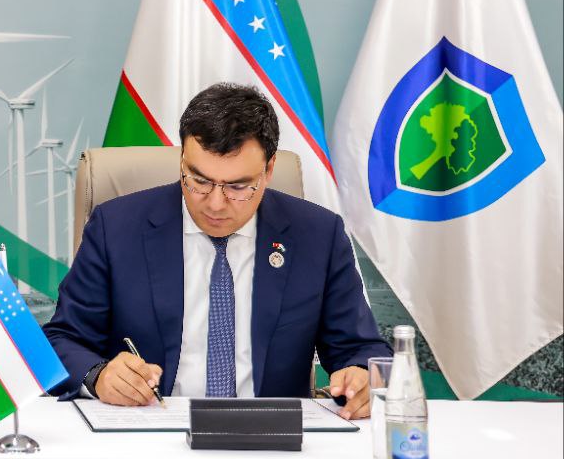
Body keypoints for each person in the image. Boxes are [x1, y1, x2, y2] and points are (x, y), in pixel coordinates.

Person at [44, 83, 388, 419]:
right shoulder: (117, 227)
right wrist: (99, 376)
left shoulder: (317, 235)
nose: (215, 204)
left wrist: (361, 376)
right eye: (199, 180)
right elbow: (62, 339)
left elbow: (361, 348)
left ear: (268, 170)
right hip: (150, 427)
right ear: (182, 161)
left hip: (269, 435)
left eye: (238, 186)